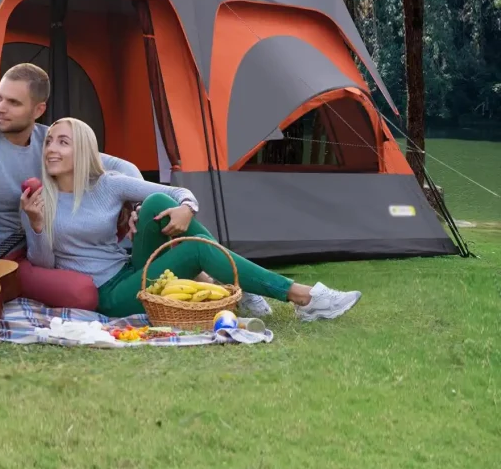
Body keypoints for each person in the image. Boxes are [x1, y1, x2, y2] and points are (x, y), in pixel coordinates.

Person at [22, 118, 362, 321]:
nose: (51, 148)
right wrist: (37, 225)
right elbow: (43, 264)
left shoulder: (108, 184)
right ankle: (303, 297)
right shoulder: (38, 199)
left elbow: (173, 193)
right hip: (107, 294)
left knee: (155, 200)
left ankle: (243, 285)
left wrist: (187, 207)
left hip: (129, 269)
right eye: (49, 141)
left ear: (82, 149)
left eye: (63, 142)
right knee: (197, 251)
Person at [0, 63, 197, 308]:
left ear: (38, 109)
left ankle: (189, 276)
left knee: (89, 286)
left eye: (14, 103)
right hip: (4, 255)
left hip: (55, 243)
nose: (1, 108)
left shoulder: (49, 142)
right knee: (82, 294)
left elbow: (121, 166)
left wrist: (135, 207)